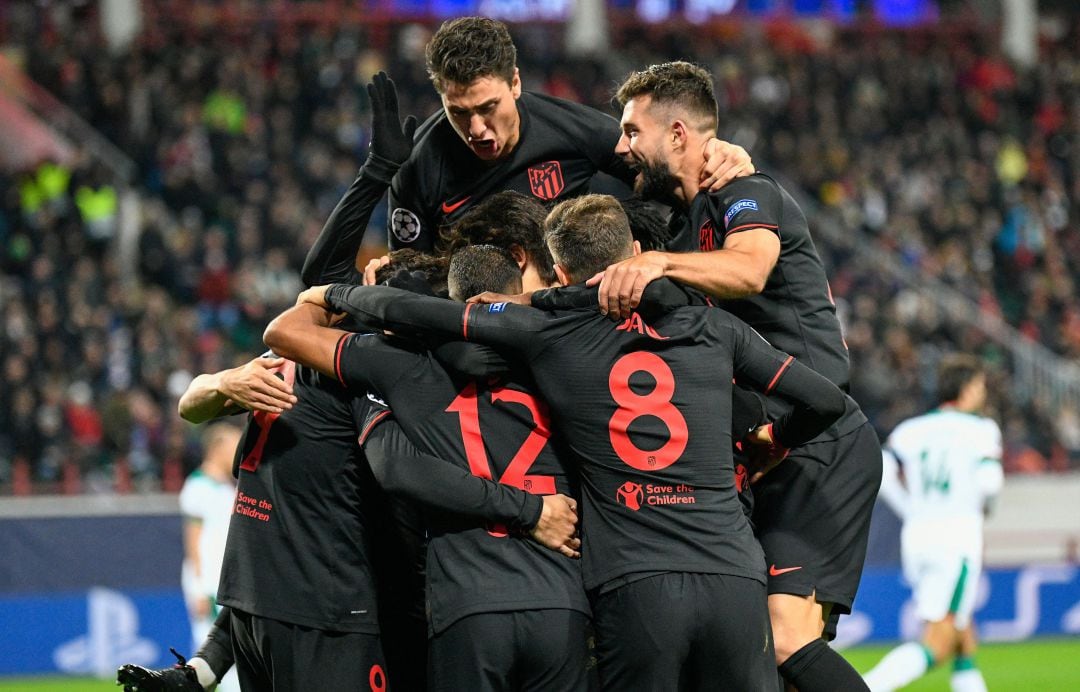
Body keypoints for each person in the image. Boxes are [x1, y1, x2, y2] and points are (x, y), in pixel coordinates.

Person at [299, 194, 858, 690]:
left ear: (560, 271)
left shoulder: (551, 332)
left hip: (634, 584)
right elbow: (827, 401)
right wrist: (775, 439)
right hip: (733, 575)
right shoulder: (714, 329)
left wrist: (338, 292)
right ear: (636, 248)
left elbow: (429, 314)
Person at [594, 61, 882, 691]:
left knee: (783, 640)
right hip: (765, 450)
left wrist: (657, 266)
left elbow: (750, 269)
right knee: (747, 648)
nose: (622, 147)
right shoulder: (686, 224)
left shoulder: (747, 194)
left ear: (677, 134)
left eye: (631, 131)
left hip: (815, 438)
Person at [265, 247, 590, 692]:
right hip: (561, 600)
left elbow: (283, 333)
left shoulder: (400, 365)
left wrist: (331, 297)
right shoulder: (558, 350)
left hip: (469, 604)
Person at [371, 16, 755, 252]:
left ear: (516, 83)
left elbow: (670, 174)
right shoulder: (418, 166)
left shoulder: (571, 129)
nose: (476, 129)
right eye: (458, 112)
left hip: (569, 314)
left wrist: (715, 155)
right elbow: (410, 277)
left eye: (488, 108)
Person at [863, 355, 1003, 692]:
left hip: (918, 536)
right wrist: (987, 509)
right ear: (967, 389)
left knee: (961, 632)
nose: (982, 394)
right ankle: (863, 687)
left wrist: (910, 508)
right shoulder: (981, 429)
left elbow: (880, 470)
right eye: (980, 387)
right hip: (956, 537)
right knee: (939, 641)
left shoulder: (911, 430)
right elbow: (990, 482)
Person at [178, 422, 241, 692]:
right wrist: (197, 587)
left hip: (228, 581)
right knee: (210, 653)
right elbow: (192, 541)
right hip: (209, 584)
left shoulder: (228, 488)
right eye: (235, 447)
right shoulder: (197, 487)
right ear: (217, 449)